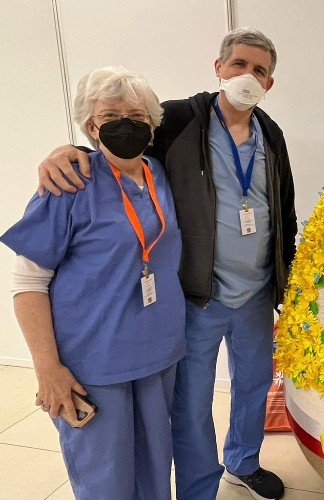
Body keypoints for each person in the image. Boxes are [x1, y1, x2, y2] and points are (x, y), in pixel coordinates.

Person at [37, 28, 297, 500]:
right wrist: (66, 150)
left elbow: (285, 209)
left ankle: (243, 460)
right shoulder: (178, 120)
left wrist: (286, 282)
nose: (247, 76)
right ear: (219, 68)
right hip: (199, 294)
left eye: (259, 70)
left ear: (270, 83)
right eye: (239, 64)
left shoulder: (271, 133)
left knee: (253, 385)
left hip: (257, 293)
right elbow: (118, 148)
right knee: (193, 403)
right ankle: (199, 490)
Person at [2, 66, 184, 499]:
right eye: (111, 115)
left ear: (153, 124)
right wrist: (47, 369)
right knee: (106, 480)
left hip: (159, 354)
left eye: (137, 116)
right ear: (90, 126)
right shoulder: (67, 181)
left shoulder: (160, 175)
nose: (127, 124)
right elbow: (28, 282)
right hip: (93, 363)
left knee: (155, 472)